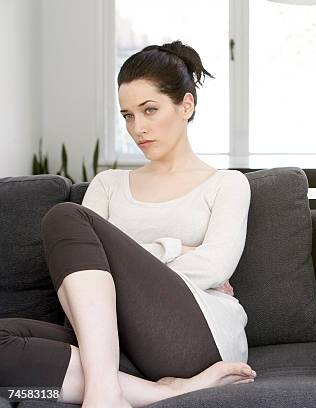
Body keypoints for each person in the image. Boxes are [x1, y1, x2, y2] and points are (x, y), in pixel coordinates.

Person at [0, 40, 256, 408]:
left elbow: (215, 266)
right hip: (112, 341)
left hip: (193, 337)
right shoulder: (108, 185)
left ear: (186, 104)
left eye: (150, 110)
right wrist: (178, 249)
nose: (138, 128)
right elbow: (72, 273)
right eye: (128, 115)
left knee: (65, 217)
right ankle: (159, 390)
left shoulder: (227, 184)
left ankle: (103, 394)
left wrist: (113, 270)